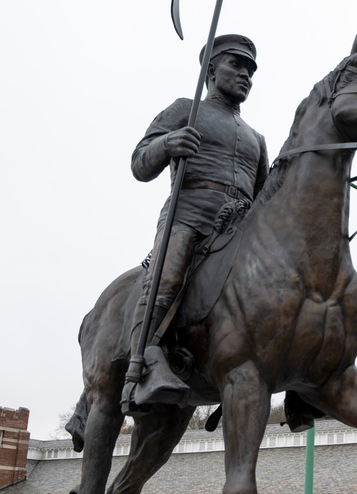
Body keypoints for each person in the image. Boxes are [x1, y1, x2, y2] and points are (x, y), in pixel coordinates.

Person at [121, 34, 269, 413]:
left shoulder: (256, 138)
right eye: (236, 65)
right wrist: (168, 143)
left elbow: (266, 197)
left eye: (250, 69)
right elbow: (139, 164)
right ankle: (146, 362)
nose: (245, 75)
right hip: (189, 214)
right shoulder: (185, 109)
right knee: (166, 281)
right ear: (210, 70)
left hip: (238, 227)